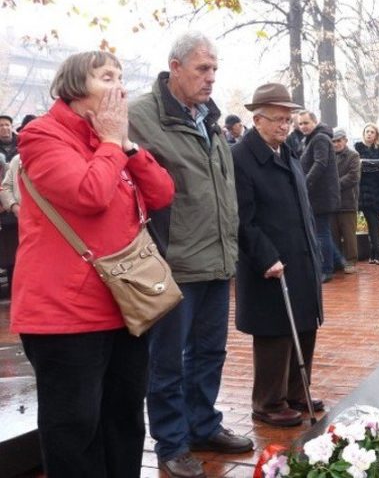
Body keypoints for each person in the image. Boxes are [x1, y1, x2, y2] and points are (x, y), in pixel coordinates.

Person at [11, 50, 175, 477]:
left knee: (123, 419)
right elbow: (88, 194)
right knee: (74, 428)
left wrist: (127, 146)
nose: (118, 85)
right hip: (65, 314)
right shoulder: (42, 136)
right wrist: (107, 143)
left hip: (125, 305)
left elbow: (161, 194)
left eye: (121, 76)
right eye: (106, 77)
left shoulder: (114, 140)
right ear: (75, 87)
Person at [129, 31, 253, 478]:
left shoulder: (209, 119)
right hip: (173, 263)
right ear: (174, 67)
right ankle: (172, 443)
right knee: (167, 362)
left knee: (209, 353)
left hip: (217, 261)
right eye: (202, 68)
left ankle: (202, 424)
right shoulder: (140, 116)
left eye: (215, 69)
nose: (211, 78)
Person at [231, 82, 325, 428]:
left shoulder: (288, 150)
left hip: (300, 254)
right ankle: (269, 402)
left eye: (289, 119)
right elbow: (242, 217)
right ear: (257, 119)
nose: (285, 125)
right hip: (268, 261)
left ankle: (297, 392)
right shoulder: (241, 158)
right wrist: (266, 256)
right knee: (275, 331)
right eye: (278, 119)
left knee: (303, 324)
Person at [297, 110, 340, 283]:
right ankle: (338, 262)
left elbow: (320, 163)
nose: (303, 127)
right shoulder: (311, 139)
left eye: (306, 123)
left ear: (315, 122)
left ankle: (326, 269)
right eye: (300, 124)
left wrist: (304, 185)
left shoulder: (320, 138)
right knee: (322, 231)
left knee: (321, 232)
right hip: (318, 194)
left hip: (320, 195)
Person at [355, 123, 379, 265]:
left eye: (372, 132)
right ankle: (378, 254)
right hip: (366, 192)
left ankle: (373, 254)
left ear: (376, 135)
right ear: (363, 133)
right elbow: (358, 165)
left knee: (376, 223)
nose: (369, 134)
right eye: (367, 131)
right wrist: (371, 166)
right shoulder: (358, 147)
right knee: (372, 222)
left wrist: (365, 163)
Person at [331, 127, 361, 273]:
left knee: (349, 234)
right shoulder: (329, 156)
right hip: (331, 203)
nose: (336, 144)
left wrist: (333, 185)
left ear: (345, 140)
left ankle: (351, 261)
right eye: (333, 141)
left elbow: (353, 176)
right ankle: (337, 262)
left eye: (338, 141)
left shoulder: (353, 155)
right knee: (333, 234)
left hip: (348, 201)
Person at [0, 114, 18, 296]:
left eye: (7, 125)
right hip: (3, 212)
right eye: (1, 126)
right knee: (7, 254)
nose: (4, 128)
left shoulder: (22, 146)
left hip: (21, 208)